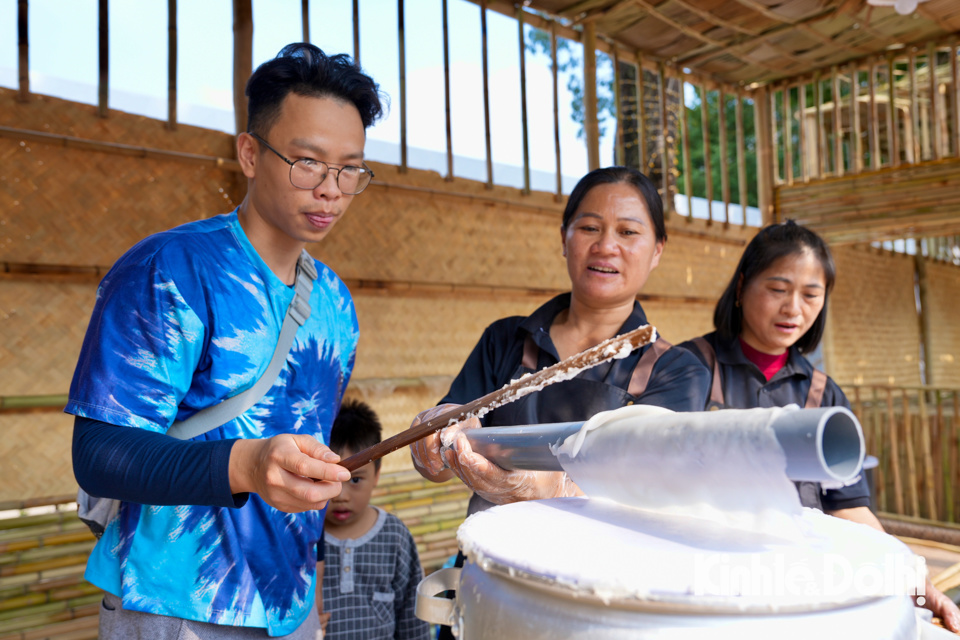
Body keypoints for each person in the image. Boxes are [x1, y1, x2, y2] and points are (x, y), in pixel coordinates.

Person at [68, 44, 384, 639]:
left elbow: (313, 456)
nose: (331, 189)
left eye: (350, 169)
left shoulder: (335, 304)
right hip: (174, 600)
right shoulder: (170, 270)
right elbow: (99, 453)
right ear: (248, 153)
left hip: (288, 601)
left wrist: (310, 582)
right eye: (308, 162)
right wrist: (248, 463)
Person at [678, 220, 960, 632]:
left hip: (797, 579)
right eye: (778, 290)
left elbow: (848, 507)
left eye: (811, 295)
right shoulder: (689, 368)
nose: (794, 308)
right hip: (701, 575)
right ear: (741, 288)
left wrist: (911, 575)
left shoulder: (824, 394)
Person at [410, 166, 711, 516]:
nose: (605, 246)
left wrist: (550, 488)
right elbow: (437, 467)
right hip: (490, 558)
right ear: (564, 238)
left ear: (657, 250)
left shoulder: (677, 370)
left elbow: (651, 489)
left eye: (627, 231)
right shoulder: (505, 339)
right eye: (589, 228)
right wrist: (435, 439)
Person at [321, 400, 430, 640]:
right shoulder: (305, 537)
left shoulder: (395, 536)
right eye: (328, 479)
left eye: (355, 480)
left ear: (377, 475)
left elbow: (413, 619)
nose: (340, 495)